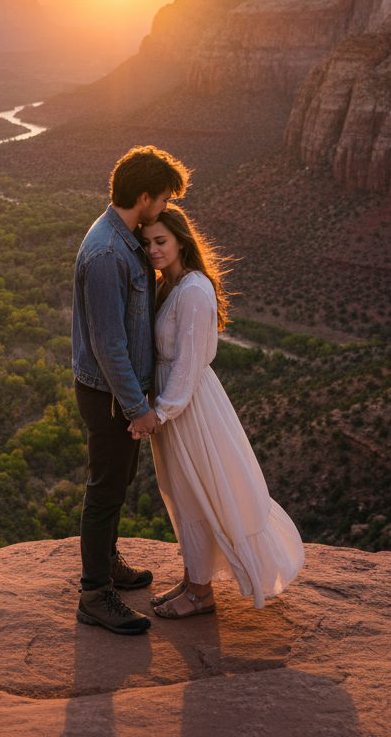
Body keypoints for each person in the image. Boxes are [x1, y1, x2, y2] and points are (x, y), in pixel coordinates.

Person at [133, 206, 304, 618]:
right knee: (181, 495)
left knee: (198, 492)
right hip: (174, 406)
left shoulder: (193, 289)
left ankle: (200, 594)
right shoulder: (168, 285)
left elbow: (189, 362)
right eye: (147, 243)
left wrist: (161, 411)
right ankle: (195, 580)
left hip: (188, 407)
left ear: (180, 241)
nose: (153, 250)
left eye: (161, 241)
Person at [72, 145, 189, 635]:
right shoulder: (105, 253)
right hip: (111, 395)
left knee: (116, 485)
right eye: (161, 199)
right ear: (143, 197)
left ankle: (109, 563)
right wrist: (137, 408)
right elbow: (108, 345)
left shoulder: (124, 240)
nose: (164, 208)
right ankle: (95, 593)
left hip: (121, 393)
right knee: (105, 489)